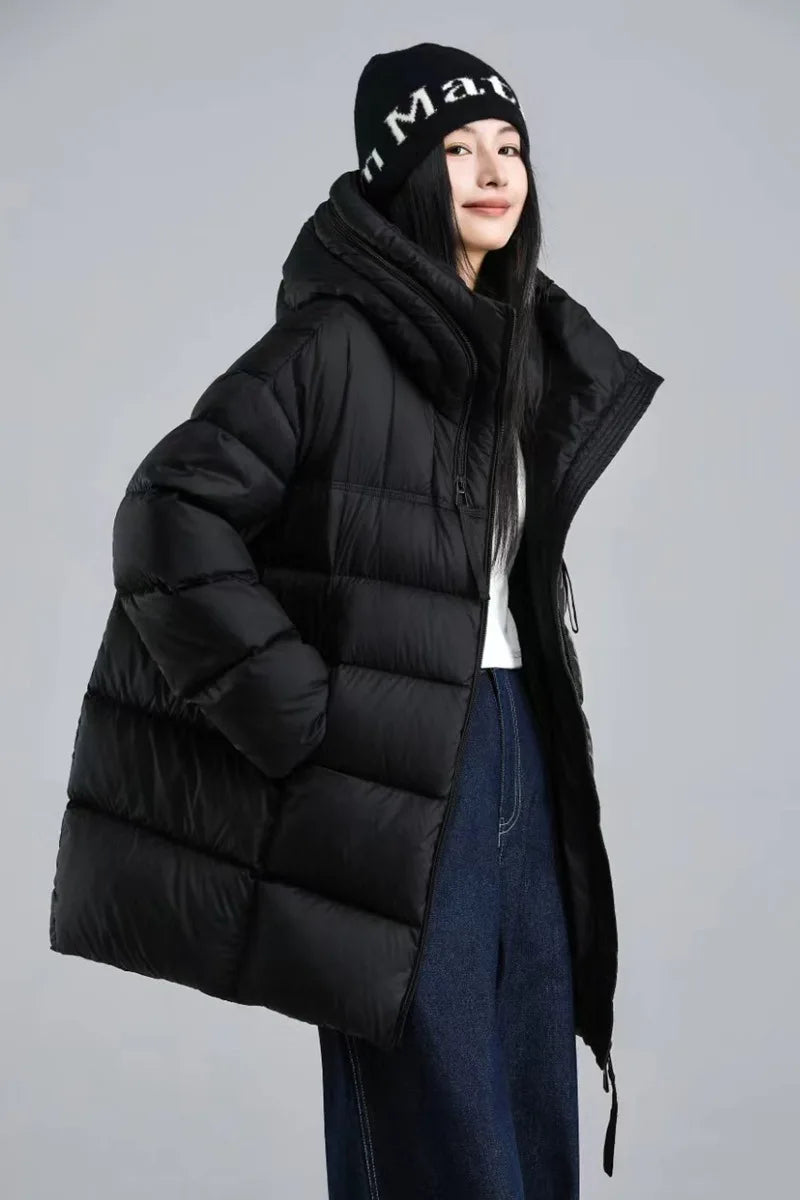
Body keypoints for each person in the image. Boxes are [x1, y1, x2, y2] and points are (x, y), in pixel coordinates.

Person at [48, 40, 665, 1199]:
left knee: (533, 1111)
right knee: (438, 1133)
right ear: (403, 171)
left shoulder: (518, 343)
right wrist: (299, 715)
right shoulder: (336, 340)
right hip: (400, 765)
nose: (494, 171)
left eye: (509, 145)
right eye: (457, 148)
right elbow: (168, 515)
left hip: (517, 742)